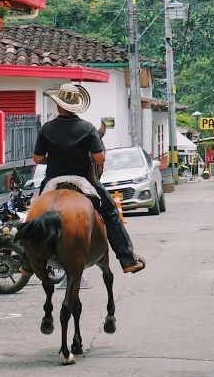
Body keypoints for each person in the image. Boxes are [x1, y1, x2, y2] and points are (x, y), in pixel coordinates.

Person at [32, 83, 145, 274]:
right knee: (110, 213)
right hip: (83, 179)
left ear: (58, 105)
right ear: (76, 106)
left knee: (33, 214)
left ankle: (27, 264)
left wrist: (54, 157)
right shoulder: (87, 128)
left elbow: (38, 158)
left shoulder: (47, 128)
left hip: (52, 180)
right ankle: (127, 259)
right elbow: (99, 158)